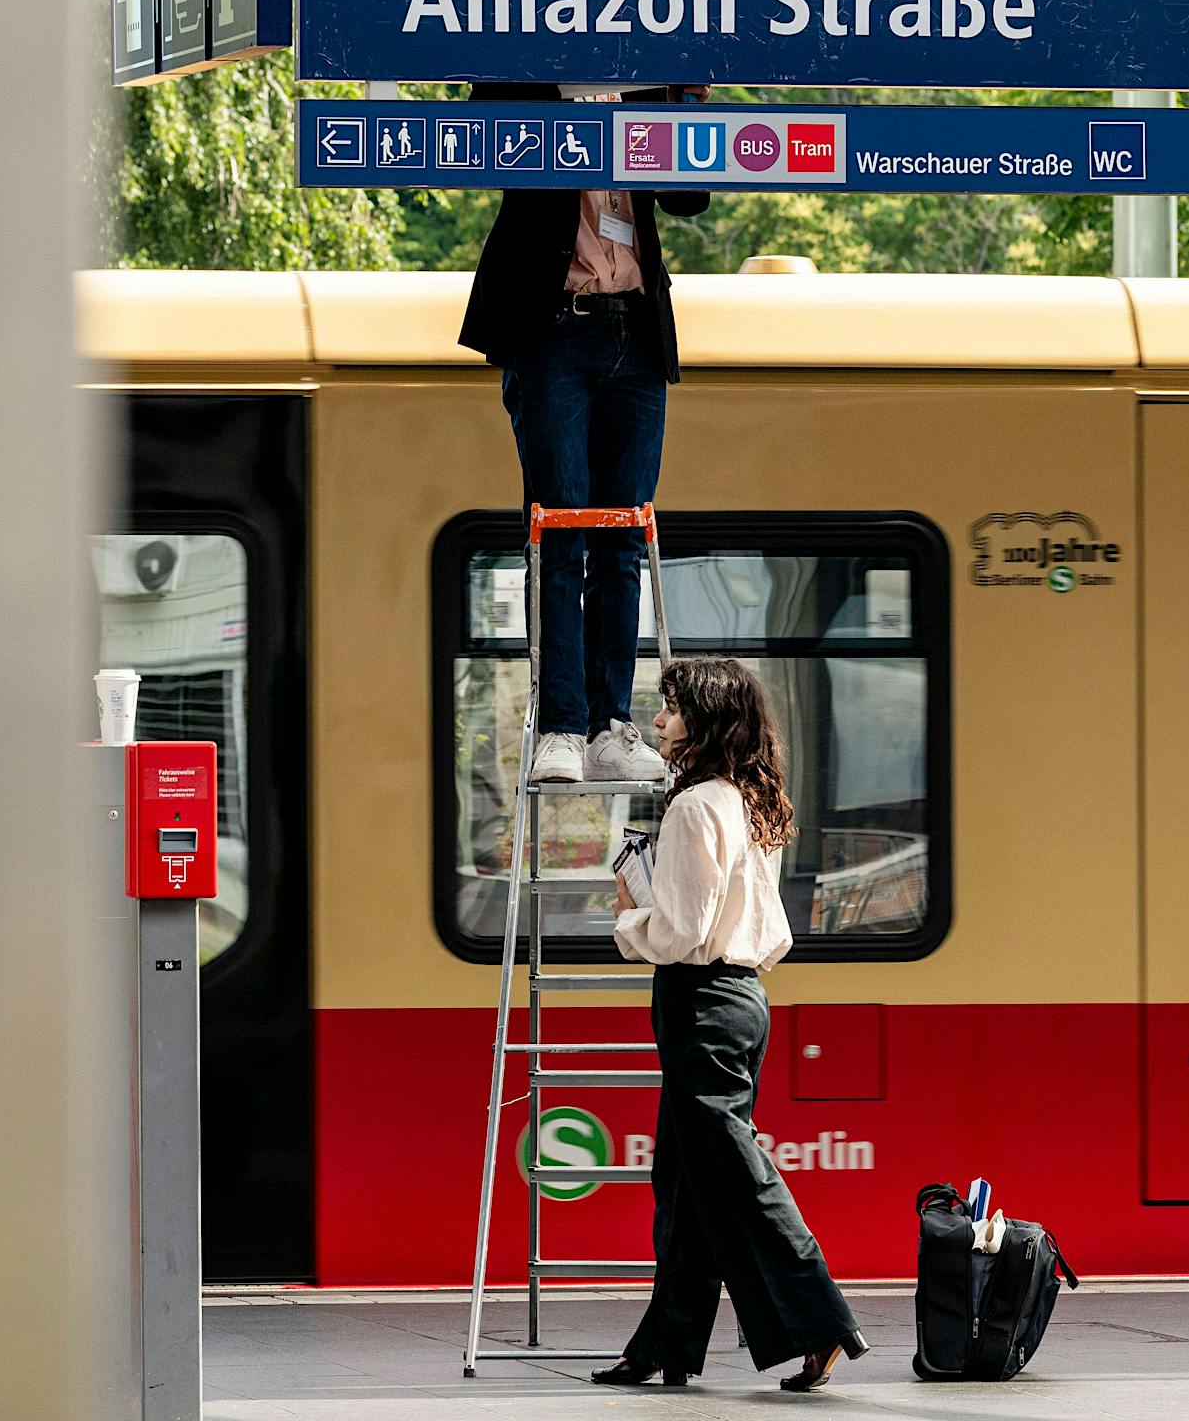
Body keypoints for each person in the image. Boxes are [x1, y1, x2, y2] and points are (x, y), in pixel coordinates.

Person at [600, 657, 868, 1394]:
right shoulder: (751, 799)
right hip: (742, 998)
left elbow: (683, 931)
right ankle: (664, 1344)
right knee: (686, 1182)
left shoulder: (693, 807)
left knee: (736, 1177)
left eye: (671, 710)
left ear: (705, 721)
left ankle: (822, 1323)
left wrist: (628, 912)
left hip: (699, 1000)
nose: (658, 723)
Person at [458, 83, 710, 785]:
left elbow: (692, 198)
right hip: (554, 326)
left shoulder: (653, 83)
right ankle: (562, 726)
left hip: (635, 326)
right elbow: (481, 148)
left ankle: (612, 725)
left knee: (624, 537)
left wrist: (684, 107)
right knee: (560, 529)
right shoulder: (522, 78)